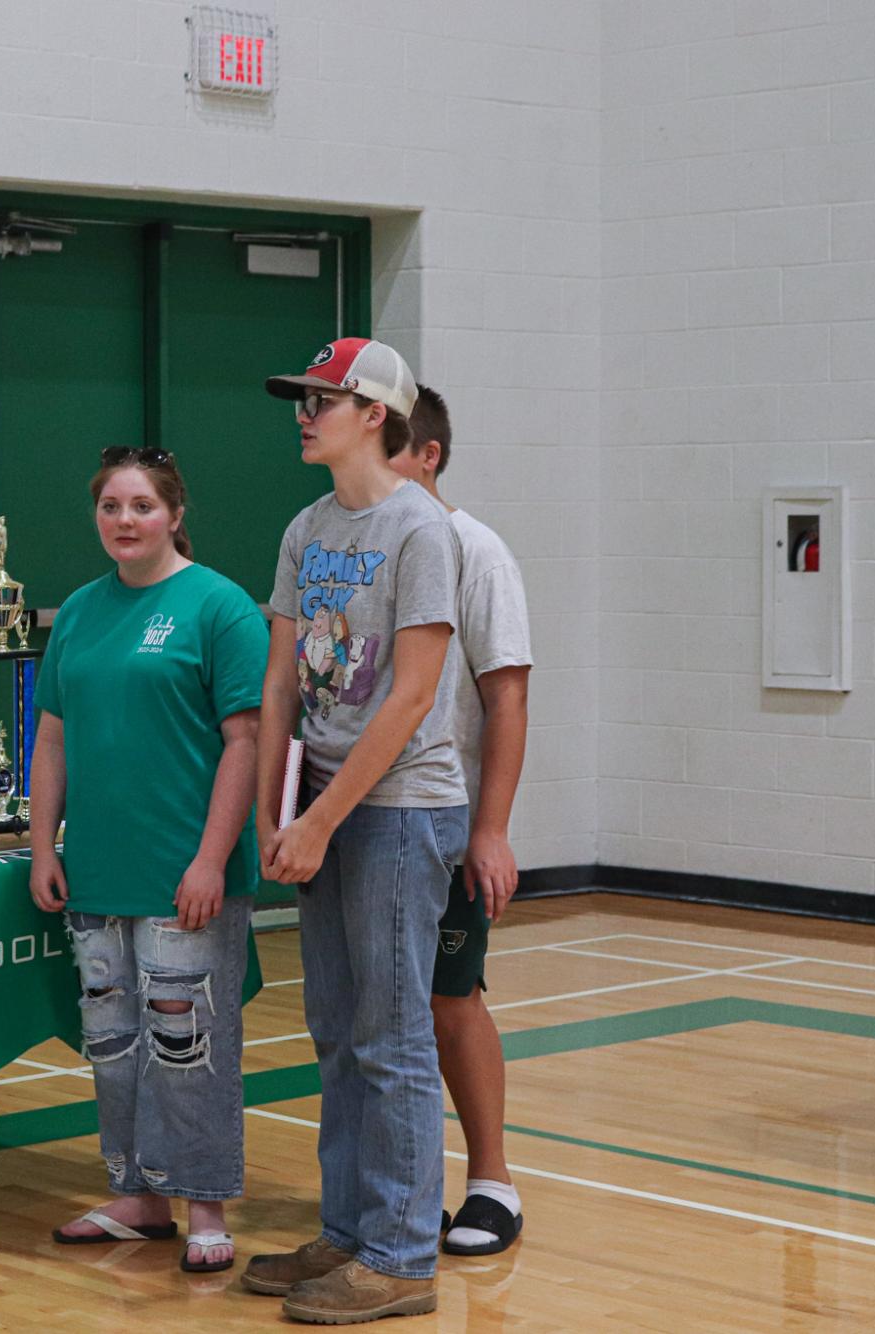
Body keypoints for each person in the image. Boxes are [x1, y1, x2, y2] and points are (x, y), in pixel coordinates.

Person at [242, 338, 467, 1324]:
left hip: (395, 811)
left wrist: (325, 818)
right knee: (336, 1029)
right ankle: (351, 1227)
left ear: (375, 412)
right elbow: (283, 675)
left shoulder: (422, 531)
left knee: (392, 1034)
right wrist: (271, 809)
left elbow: (413, 693)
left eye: (322, 398)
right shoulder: (306, 526)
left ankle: (405, 1254)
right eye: (302, 398)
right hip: (322, 807)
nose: (304, 412)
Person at [28, 446, 268, 1275]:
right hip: (97, 869)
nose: (123, 522)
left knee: (187, 1041)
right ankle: (138, 1194)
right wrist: (42, 847)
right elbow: (51, 735)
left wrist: (210, 859)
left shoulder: (219, 607)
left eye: (141, 507)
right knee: (112, 1037)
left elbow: (246, 741)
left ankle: (204, 1203)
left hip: (184, 875)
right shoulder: (82, 613)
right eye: (109, 508)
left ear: (173, 515)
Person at [389, 385, 532, 1255]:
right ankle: (396, 1194)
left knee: (451, 1001)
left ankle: (491, 1181)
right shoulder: (356, 543)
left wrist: (490, 830)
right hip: (369, 821)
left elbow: (506, 700)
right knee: (381, 1014)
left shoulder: (476, 552)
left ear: (427, 455)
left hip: (446, 820)